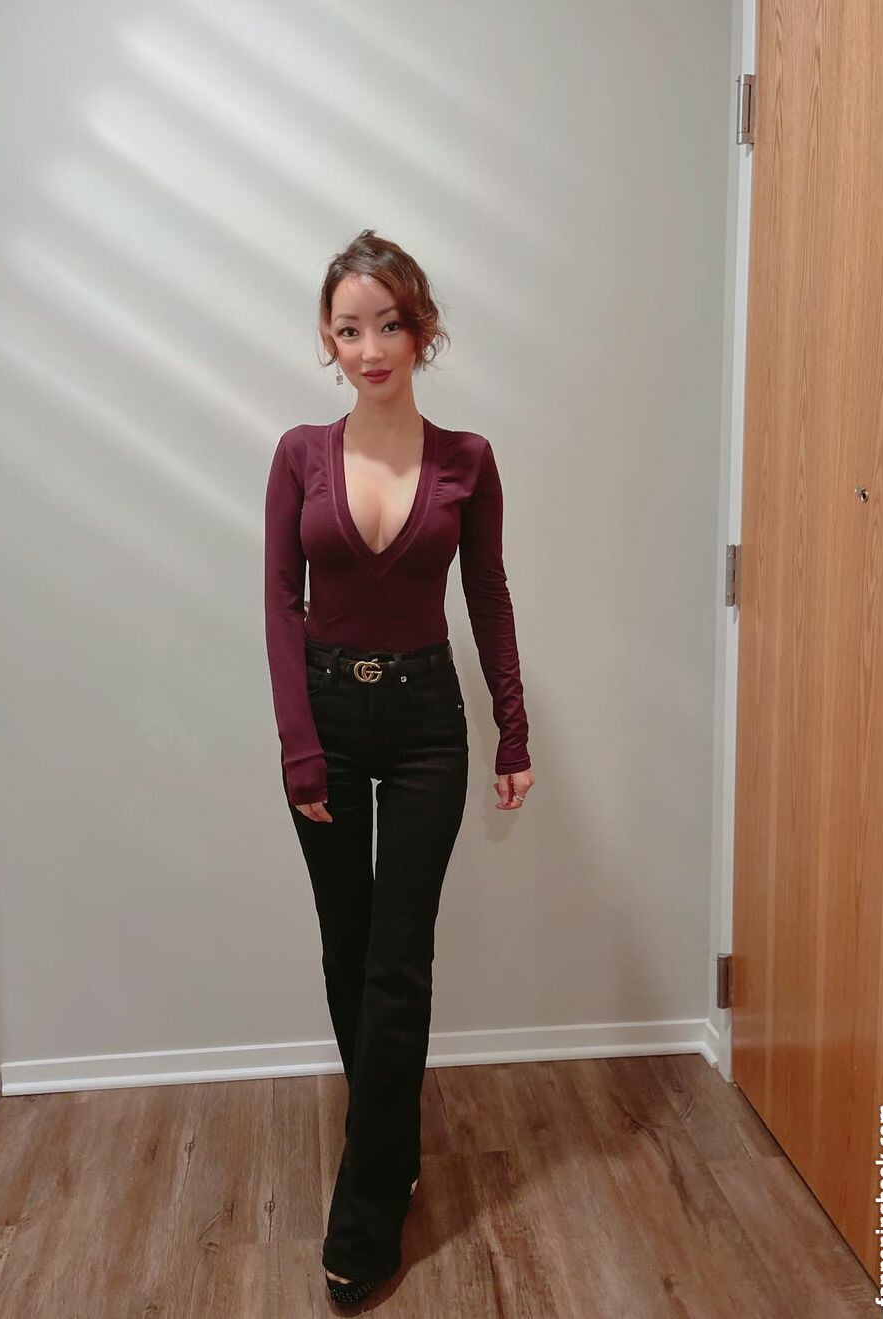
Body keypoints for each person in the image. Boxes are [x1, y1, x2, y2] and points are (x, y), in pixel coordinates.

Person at [263, 228, 535, 1305]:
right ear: (327, 340)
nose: (370, 348)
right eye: (349, 328)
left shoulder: (468, 459)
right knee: (348, 947)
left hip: (426, 724)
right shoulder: (298, 453)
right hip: (328, 718)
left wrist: (513, 729)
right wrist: (299, 744)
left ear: (422, 330)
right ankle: (391, 1135)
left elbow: (488, 596)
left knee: (398, 959)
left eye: (389, 324)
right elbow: (280, 605)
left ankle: (369, 1203)